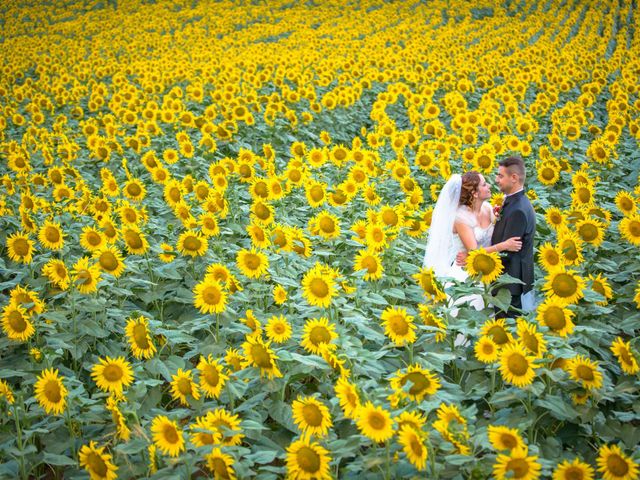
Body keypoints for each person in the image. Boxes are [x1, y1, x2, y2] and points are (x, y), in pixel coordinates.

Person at [423, 170, 522, 310]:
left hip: (487, 270)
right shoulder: (461, 218)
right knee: (470, 314)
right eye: (484, 184)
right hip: (466, 275)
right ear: (475, 193)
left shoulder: (487, 208)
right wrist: (505, 245)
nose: (489, 186)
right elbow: (475, 252)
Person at [457, 157, 536, 318]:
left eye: (500, 176)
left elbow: (508, 251)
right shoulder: (507, 205)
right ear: (474, 192)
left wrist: (473, 256)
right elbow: (499, 239)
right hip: (480, 273)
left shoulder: (517, 210)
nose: (495, 181)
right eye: (485, 184)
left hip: (505, 279)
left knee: (505, 328)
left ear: (513, 178)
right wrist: (473, 254)